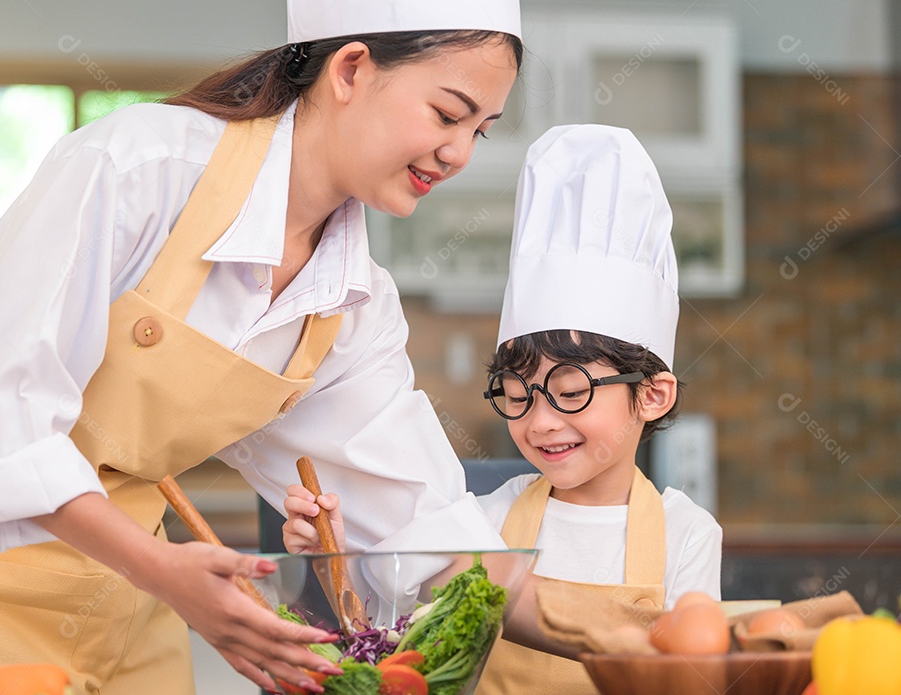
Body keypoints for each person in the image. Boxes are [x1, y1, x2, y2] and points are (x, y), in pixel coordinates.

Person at [0, 0, 524, 692]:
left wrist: (590, 620)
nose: (460, 152)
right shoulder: (140, 168)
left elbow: (420, 517)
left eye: (481, 130)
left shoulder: (352, 302)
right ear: (349, 70)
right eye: (447, 114)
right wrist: (167, 573)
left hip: (121, 596)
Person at [284, 124, 723, 695]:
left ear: (652, 394)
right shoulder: (486, 520)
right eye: (517, 395)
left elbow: (696, 675)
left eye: (570, 393)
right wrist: (336, 555)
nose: (539, 422)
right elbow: (398, 647)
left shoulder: (686, 533)